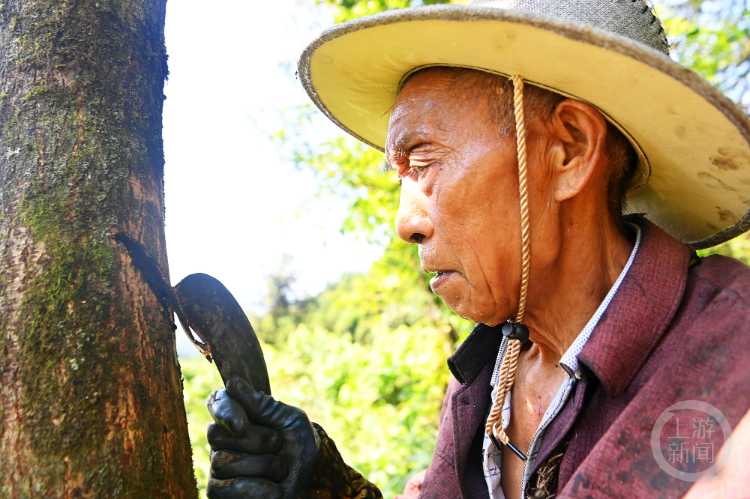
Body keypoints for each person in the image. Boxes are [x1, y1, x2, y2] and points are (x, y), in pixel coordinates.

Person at [205, 1, 750, 498]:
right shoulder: (490, 370)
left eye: (423, 165)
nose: (406, 223)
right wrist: (323, 485)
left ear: (569, 150)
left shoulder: (731, 354)